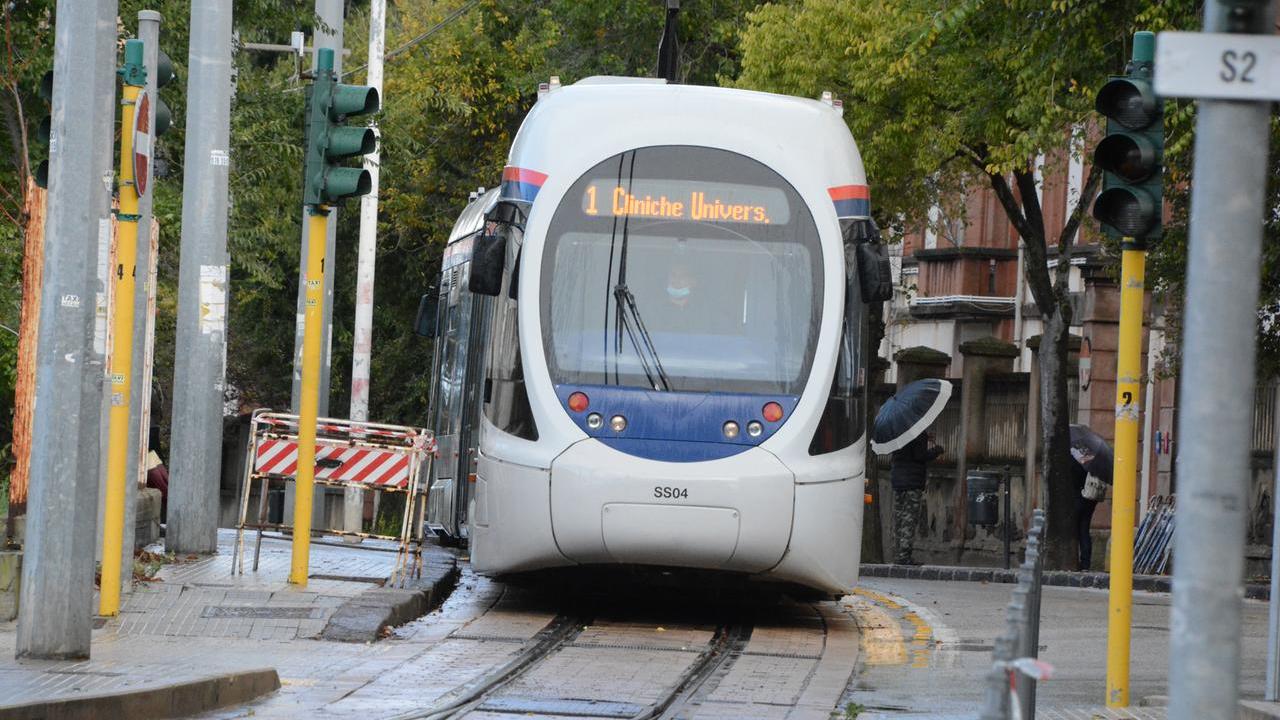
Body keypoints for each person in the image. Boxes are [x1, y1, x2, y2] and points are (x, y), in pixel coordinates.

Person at [890, 431, 945, 565]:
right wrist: (936, 451)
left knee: (900, 519)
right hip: (912, 482)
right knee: (909, 519)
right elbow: (920, 455)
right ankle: (904, 556)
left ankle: (898, 554)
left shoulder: (897, 432)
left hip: (898, 480)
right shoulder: (916, 433)